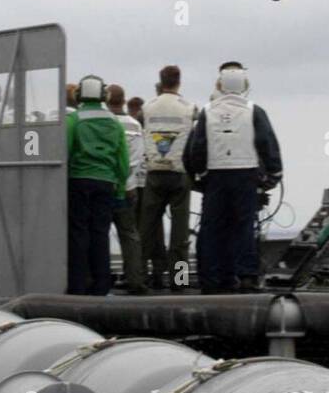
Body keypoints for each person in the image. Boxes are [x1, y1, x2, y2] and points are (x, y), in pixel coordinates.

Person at [183, 64, 282, 293]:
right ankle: (246, 276)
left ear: (219, 85)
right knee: (244, 226)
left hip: (216, 175)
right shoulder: (254, 110)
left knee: (211, 228)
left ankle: (211, 279)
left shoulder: (207, 111)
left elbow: (196, 148)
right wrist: (273, 175)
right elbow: (267, 144)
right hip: (245, 174)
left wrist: (199, 176)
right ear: (245, 85)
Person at [66, 75, 128, 295]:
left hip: (78, 181)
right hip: (106, 183)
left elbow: (66, 151)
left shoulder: (74, 120)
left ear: (79, 95)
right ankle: (101, 286)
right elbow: (123, 161)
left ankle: (77, 284)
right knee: (100, 234)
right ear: (104, 95)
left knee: (78, 234)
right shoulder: (114, 122)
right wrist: (120, 190)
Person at [140, 65, 199, 290]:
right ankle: (179, 281)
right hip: (180, 174)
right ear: (179, 82)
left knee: (146, 230)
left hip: (154, 174)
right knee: (180, 235)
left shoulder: (147, 108)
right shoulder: (189, 108)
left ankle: (143, 278)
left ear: (160, 80)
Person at [107, 84, 147, 294]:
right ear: (123, 101)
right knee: (130, 235)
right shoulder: (134, 125)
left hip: (103, 185)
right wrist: (125, 180)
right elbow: (137, 158)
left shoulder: (105, 123)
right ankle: (136, 279)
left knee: (98, 233)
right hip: (128, 187)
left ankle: (99, 280)